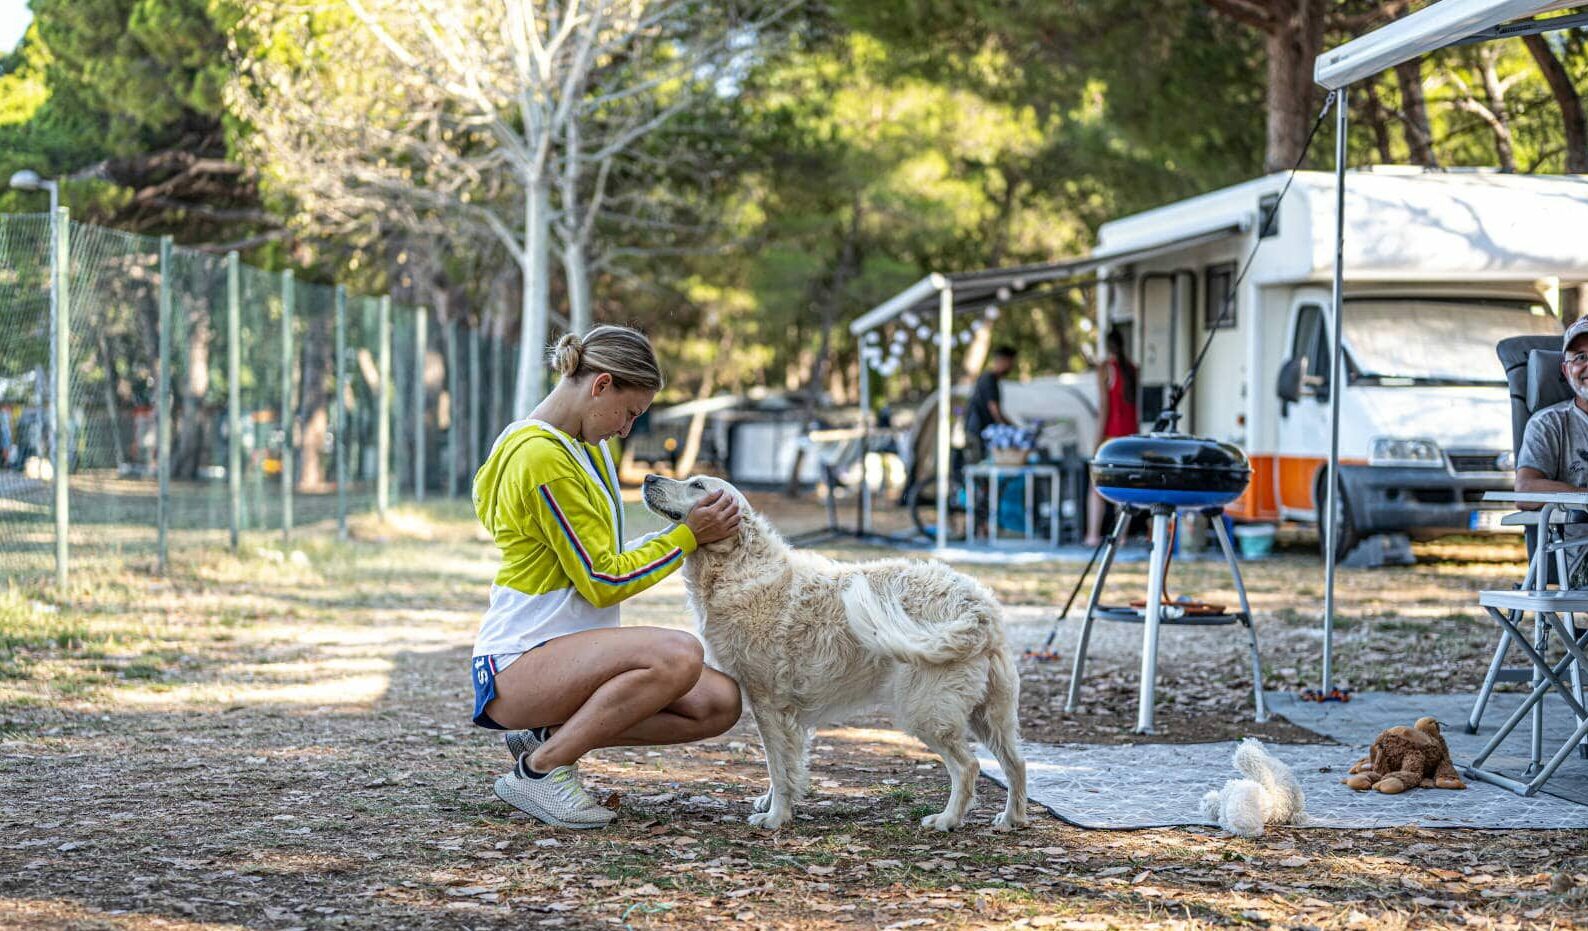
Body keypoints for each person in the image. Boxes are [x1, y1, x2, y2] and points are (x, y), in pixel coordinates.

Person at [471, 325, 744, 829]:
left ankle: (547, 735)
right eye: (630, 412)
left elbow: (604, 556)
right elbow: (603, 579)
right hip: (518, 662)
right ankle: (539, 772)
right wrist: (689, 536)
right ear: (601, 386)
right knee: (678, 654)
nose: (626, 429)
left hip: (567, 655)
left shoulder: (583, 447)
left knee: (718, 704)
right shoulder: (540, 456)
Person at [1516, 317, 1588, 585]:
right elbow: (1525, 490)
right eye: (1580, 357)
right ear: (1566, 370)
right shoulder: (1549, 424)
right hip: (1582, 556)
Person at [1085, 328, 1140, 546]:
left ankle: (1092, 535)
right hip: (1130, 434)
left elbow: (1104, 406)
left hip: (1111, 434)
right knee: (1123, 485)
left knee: (1096, 485)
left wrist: (1097, 439)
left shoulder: (1105, 368)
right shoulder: (1133, 369)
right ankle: (1122, 536)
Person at [964, 346, 1017, 465]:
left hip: (979, 432)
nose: (1011, 367)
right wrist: (1010, 428)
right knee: (979, 470)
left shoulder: (989, 379)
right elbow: (994, 410)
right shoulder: (989, 379)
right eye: (1010, 362)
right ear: (1003, 361)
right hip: (978, 432)